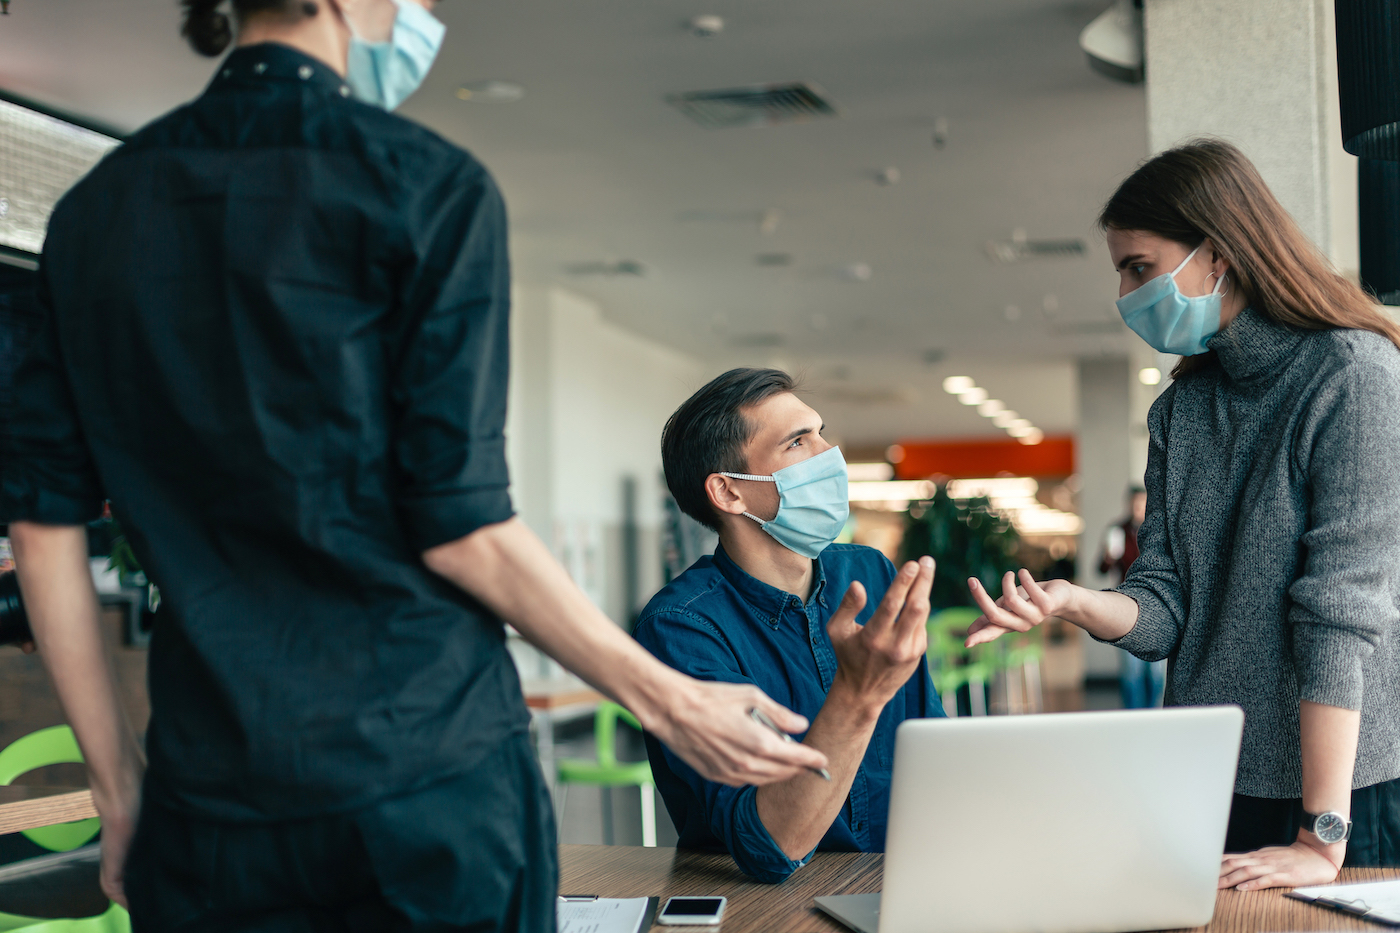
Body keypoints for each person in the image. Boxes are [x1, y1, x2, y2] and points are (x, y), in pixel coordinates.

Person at [0, 2, 827, 929]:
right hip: (424, 779)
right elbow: (462, 525)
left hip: (214, 794)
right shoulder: (421, 182)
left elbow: (42, 532)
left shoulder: (94, 213)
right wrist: (668, 700)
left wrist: (120, 795)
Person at [965, 140, 1400, 892]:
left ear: (1219, 255)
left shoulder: (1353, 375)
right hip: (1212, 774)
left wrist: (1321, 834)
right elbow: (1165, 608)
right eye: (1121, 273)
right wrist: (1075, 601)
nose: (1129, 293)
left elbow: (1340, 614)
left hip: (1343, 792)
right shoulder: (1183, 410)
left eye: (1139, 266)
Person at [633, 369, 942, 884]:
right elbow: (771, 843)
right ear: (729, 493)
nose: (829, 454)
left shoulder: (869, 574)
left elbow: (929, 746)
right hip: (766, 906)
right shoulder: (681, 627)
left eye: (821, 432)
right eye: (798, 442)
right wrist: (857, 695)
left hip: (899, 881)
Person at [1097, 486, 1164, 709]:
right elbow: (1101, 569)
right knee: (1131, 671)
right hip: (1125, 603)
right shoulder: (1118, 531)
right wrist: (1107, 558)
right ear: (1129, 504)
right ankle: (1134, 716)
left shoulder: (1156, 531)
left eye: (1142, 504)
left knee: (1154, 671)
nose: (1139, 508)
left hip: (1154, 604)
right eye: (1135, 503)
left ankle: (1152, 714)